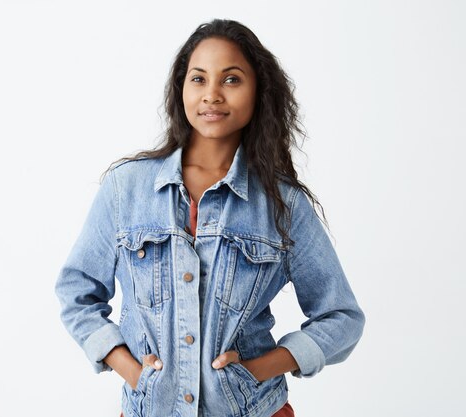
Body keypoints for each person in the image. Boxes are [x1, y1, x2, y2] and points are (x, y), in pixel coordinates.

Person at [54, 18, 365, 417]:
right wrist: (131, 371)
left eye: (231, 80)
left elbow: (341, 317)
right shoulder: (125, 189)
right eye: (198, 79)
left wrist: (256, 370)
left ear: (258, 92)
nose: (212, 95)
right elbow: (76, 292)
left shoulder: (281, 203)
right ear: (181, 89)